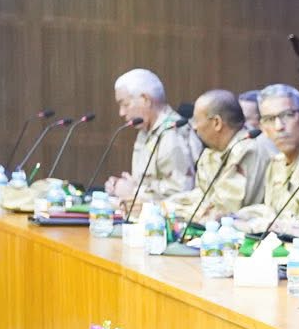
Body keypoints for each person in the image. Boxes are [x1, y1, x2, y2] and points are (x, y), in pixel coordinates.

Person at [230, 83, 299, 238]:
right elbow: (272, 210)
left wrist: (257, 225)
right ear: (263, 128)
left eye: (287, 115)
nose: (279, 126)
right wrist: (233, 216)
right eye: (269, 119)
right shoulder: (277, 162)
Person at [163, 90, 268, 224]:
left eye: (197, 120)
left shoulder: (248, 149)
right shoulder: (212, 150)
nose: (194, 127)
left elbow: (223, 211)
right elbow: (202, 195)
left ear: (217, 122)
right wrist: (167, 205)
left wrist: (175, 211)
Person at [104, 68, 201, 208]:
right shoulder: (146, 130)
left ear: (145, 100)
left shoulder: (172, 132)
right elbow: (149, 182)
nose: (121, 112)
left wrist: (134, 191)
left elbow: (181, 190)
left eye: (125, 104)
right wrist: (122, 186)